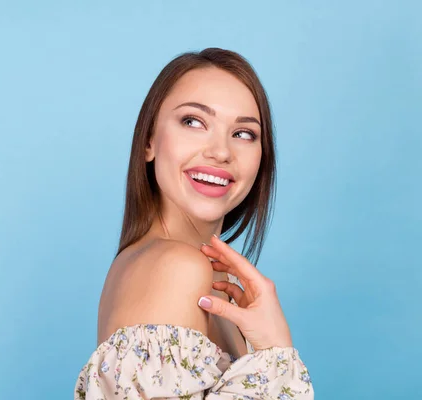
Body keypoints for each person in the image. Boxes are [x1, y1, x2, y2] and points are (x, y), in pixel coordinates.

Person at [74, 47, 314, 399]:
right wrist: (278, 357)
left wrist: (272, 351)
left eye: (244, 133)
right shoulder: (175, 269)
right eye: (193, 122)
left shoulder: (216, 279)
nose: (220, 151)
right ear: (148, 142)